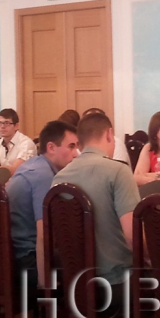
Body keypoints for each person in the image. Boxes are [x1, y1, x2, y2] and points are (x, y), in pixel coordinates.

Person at [52, 113, 140, 304]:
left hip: (75, 284)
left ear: (80, 142)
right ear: (109, 134)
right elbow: (133, 236)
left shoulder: (59, 178)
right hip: (116, 284)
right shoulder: (118, 171)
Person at [6, 121, 79, 289]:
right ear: (51, 147)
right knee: (88, 266)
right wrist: (44, 283)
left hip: (11, 256)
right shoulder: (43, 176)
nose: (76, 153)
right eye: (71, 146)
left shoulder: (32, 165)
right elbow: (44, 235)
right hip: (27, 261)